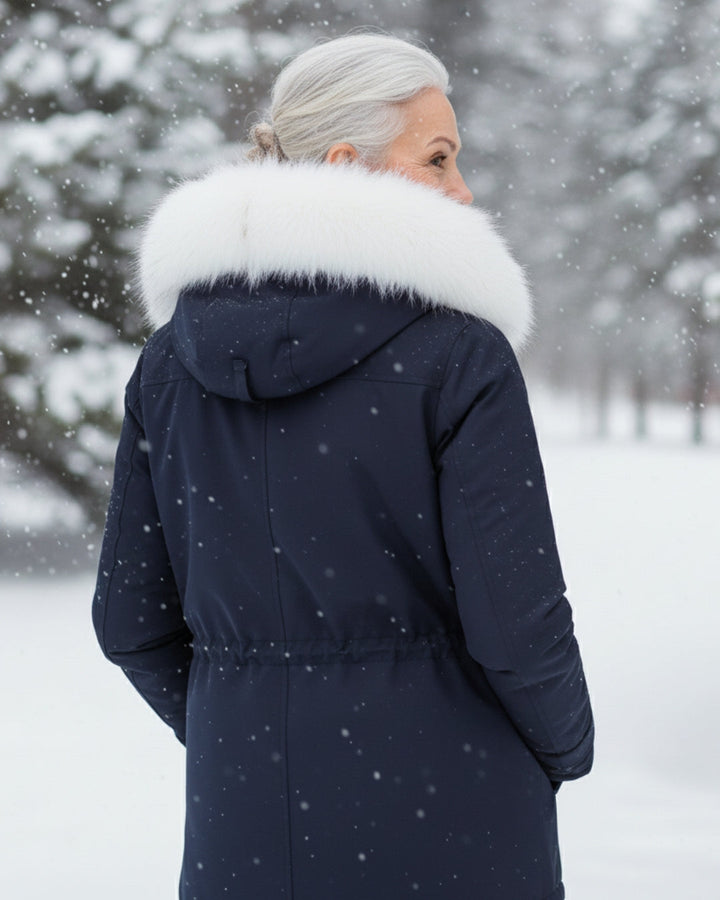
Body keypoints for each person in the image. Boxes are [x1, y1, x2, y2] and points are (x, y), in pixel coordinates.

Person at [93, 33, 593, 900]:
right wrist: (559, 751)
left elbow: (130, 620)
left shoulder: (169, 363)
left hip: (246, 828)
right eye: (437, 159)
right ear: (344, 165)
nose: (463, 190)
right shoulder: (458, 356)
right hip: (457, 813)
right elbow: (517, 624)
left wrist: (246, 727)